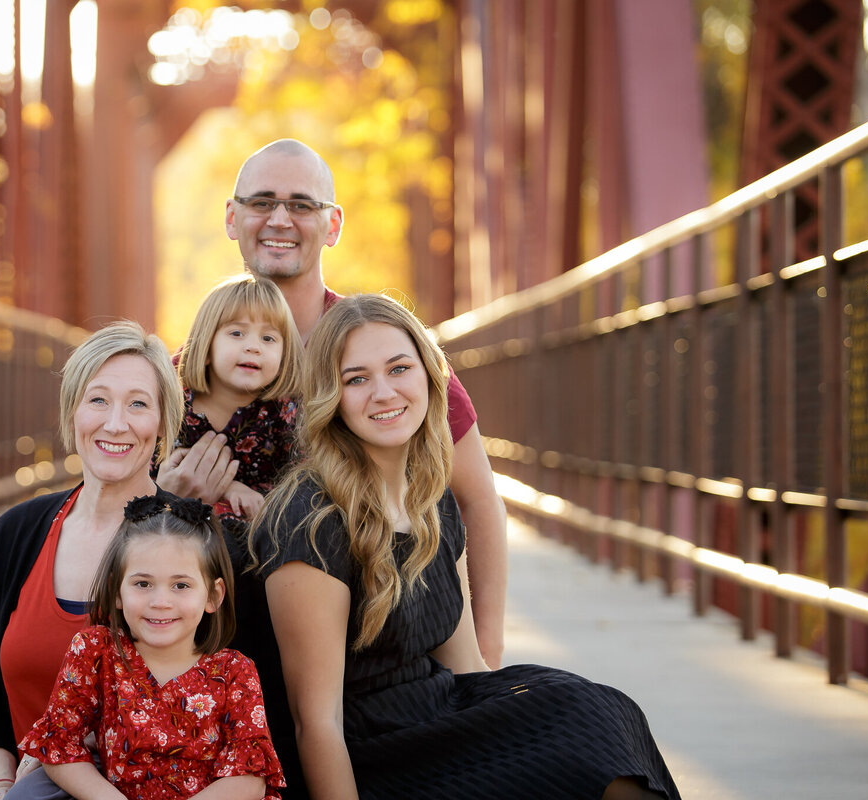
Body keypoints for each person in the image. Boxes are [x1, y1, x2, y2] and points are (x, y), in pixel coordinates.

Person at [248, 294, 680, 800]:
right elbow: (315, 725)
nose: (384, 392)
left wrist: (518, 736)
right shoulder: (309, 522)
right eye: (356, 379)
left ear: (430, 380)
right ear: (330, 397)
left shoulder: (432, 498)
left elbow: (467, 667)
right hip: (376, 753)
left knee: (601, 718)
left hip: (439, 721)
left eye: (399, 369)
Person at [157, 138, 507, 670]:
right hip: (232, 651)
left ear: (334, 225)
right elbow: (121, 511)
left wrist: (486, 666)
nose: (280, 218)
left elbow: (478, 501)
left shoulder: (387, 349)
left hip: (375, 650)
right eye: (261, 202)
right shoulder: (189, 375)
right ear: (232, 218)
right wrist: (172, 500)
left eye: (301, 204)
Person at [0, 320, 185, 800]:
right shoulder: (16, 534)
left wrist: (62, 757)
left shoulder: (198, 543)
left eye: (138, 404)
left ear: (164, 424)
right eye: (98, 399)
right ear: (72, 413)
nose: (115, 423)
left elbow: (229, 703)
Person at [8, 495, 286, 800]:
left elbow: (249, 776)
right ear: (117, 590)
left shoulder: (233, 672)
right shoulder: (96, 652)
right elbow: (59, 746)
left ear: (212, 595)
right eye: (143, 584)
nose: (160, 602)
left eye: (181, 585)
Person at [169, 274, 302, 522]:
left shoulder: (284, 410)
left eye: (268, 338)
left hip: (263, 530)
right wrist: (231, 489)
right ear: (206, 346)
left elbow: (302, 476)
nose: (254, 346)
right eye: (237, 333)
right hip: (182, 531)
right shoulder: (175, 403)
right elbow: (160, 470)